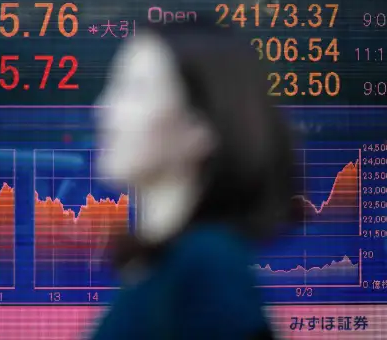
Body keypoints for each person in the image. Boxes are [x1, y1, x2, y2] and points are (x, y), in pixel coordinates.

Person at [90, 17, 303, 339]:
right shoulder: (161, 266)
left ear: (200, 126)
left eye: (134, 90)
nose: (104, 110)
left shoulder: (207, 264)